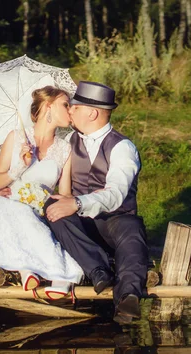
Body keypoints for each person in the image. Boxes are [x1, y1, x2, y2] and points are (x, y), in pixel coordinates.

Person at [44, 81, 150, 324]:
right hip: (80, 225)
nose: (69, 110)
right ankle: (98, 271)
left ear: (91, 113)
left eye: (74, 107)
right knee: (54, 210)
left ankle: (128, 298)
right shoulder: (68, 141)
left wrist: (78, 203)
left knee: (132, 233)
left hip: (115, 219)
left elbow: (115, 193)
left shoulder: (123, 147)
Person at [0, 86, 84, 299]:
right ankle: (50, 272)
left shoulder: (64, 149)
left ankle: (30, 269)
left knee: (19, 212)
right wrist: (19, 169)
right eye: (65, 105)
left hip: (41, 211)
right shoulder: (16, 138)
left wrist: (48, 201)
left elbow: (65, 193)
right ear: (48, 106)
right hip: (8, 204)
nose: (70, 110)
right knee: (3, 205)